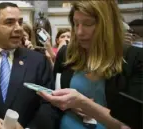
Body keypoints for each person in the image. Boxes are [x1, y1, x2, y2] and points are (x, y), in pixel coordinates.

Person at [52, 1, 142, 129]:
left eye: (88, 24)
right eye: (76, 24)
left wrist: (84, 104)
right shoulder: (66, 54)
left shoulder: (136, 59)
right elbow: (54, 103)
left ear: (108, 25)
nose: (79, 32)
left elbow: (131, 124)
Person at [37, 89, 131, 129]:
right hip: (65, 124)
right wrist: (71, 105)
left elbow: (126, 125)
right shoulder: (71, 56)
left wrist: (83, 103)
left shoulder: (133, 59)